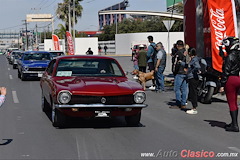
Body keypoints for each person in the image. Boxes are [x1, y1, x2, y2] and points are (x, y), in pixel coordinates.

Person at [219, 37, 240, 132]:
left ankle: (234, 125)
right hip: (237, 78)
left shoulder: (230, 56)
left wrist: (222, 84)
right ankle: (234, 123)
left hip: (230, 80)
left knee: (231, 102)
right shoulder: (238, 55)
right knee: (235, 102)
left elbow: (226, 71)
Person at [170, 40, 188, 109]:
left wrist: (174, 71)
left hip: (179, 73)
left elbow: (175, 64)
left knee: (177, 88)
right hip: (186, 73)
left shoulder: (178, 53)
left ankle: (178, 103)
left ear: (177, 46)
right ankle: (183, 103)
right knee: (184, 89)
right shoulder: (186, 52)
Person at [186, 48, 201, 114]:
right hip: (192, 77)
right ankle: (194, 107)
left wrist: (193, 71)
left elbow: (197, 66)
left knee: (193, 93)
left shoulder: (194, 59)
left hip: (193, 78)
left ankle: (194, 108)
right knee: (192, 92)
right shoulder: (194, 59)